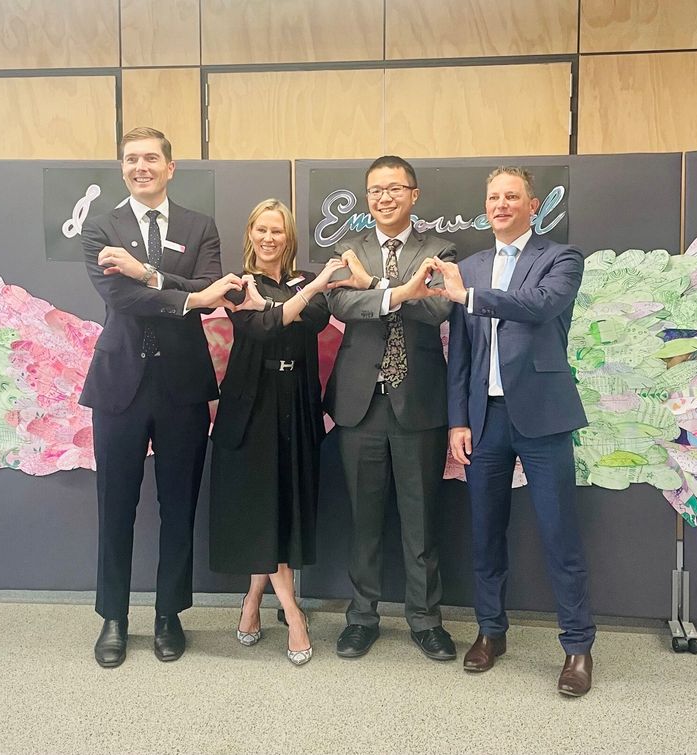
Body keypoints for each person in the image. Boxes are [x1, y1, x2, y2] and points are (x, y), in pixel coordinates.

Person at [80, 126, 244, 668]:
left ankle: (169, 614)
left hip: (182, 385)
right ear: (122, 168)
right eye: (131, 159)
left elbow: (213, 292)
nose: (140, 167)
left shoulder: (200, 226)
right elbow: (120, 297)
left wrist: (147, 273)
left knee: (178, 506)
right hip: (119, 384)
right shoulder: (101, 227)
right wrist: (181, 292)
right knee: (115, 506)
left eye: (151, 158)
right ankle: (113, 618)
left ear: (170, 167)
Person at [430, 166, 596, 697]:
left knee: (559, 535)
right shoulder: (471, 267)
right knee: (485, 533)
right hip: (485, 420)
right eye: (493, 198)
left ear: (533, 205)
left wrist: (469, 297)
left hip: (543, 417)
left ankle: (577, 647)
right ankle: (490, 632)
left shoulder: (561, 258)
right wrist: (458, 419)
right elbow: (460, 354)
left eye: (511, 197)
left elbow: (539, 306)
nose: (500, 205)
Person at [323, 155, 458, 661]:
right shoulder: (349, 249)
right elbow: (341, 305)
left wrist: (373, 287)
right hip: (360, 404)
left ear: (413, 194)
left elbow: (438, 307)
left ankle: (425, 620)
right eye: (376, 190)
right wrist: (399, 291)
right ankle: (361, 618)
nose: (384, 197)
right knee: (364, 521)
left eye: (394, 188)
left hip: (417, 402)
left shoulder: (439, 250)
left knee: (421, 521)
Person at [208, 199, 351, 667]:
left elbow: (315, 318)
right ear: (250, 233)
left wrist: (290, 300)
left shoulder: (306, 281)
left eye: (278, 231)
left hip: (297, 405)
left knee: (283, 507)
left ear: (289, 237)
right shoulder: (236, 285)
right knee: (261, 508)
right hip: (251, 408)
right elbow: (264, 328)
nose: (269, 238)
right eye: (262, 230)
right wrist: (293, 299)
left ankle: (253, 597)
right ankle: (293, 614)